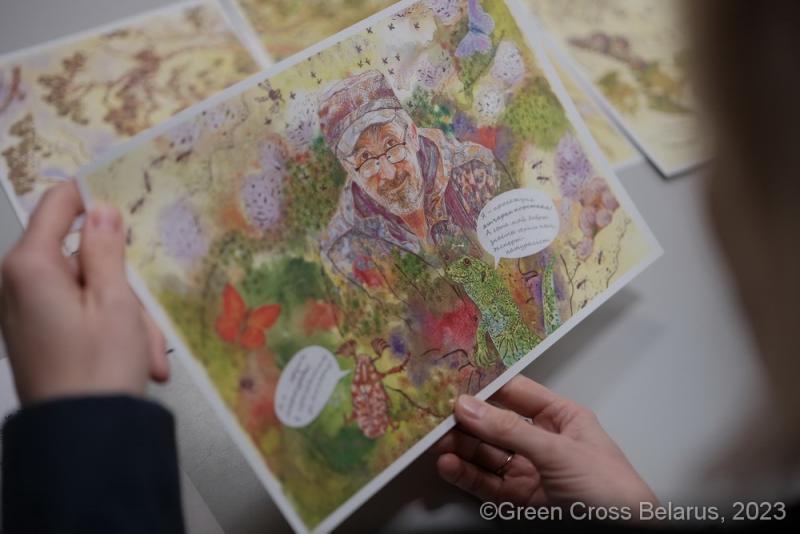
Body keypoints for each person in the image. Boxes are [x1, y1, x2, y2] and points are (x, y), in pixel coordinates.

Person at [2, 2, 799, 532]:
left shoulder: (470, 174)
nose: (387, 167)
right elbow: (387, 341)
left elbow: (539, 268)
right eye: (366, 158)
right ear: (350, 173)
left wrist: (83, 425)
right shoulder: (352, 247)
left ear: (414, 136)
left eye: (393, 144)